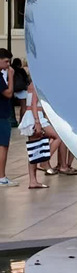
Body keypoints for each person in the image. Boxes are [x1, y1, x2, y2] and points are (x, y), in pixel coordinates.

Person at [0, 50, 18, 187]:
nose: (8, 65)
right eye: (6, 61)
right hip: (2, 115)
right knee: (3, 146)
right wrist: (11, 76)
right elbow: (8, 93)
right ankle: (1, 177)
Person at [11, 57, 30, 123]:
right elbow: (26, 79)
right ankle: (21, 121)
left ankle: (14, 120)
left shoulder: (11, 69)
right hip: (21, 90)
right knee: (23, 107)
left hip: (12, 89)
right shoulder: (21, 70)